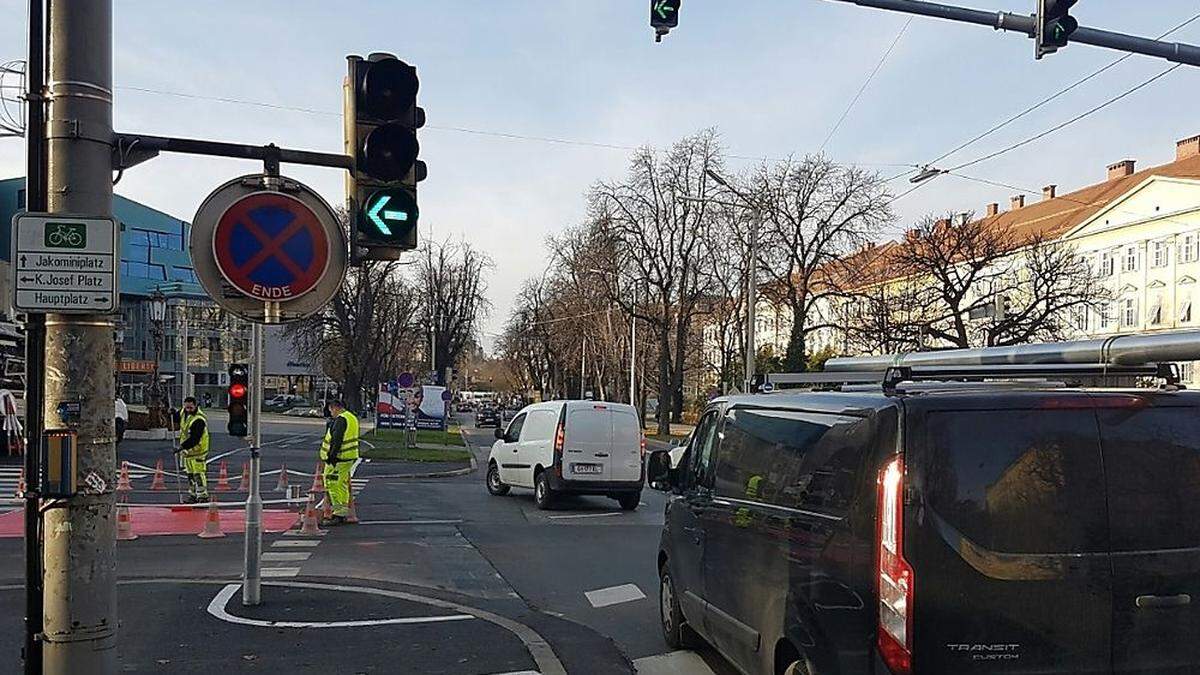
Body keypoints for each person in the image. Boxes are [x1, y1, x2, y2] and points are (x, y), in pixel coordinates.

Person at [319, 399, 359, 526]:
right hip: (348, 457)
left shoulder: (341, 420)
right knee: (341, 485)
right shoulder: (352, 418)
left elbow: (337, 439)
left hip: (339, 458)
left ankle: (338, 514)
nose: (331, 413)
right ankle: (342, 512)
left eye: (331, 410)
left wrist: (331, 456)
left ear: (335, 408)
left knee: (332, 484)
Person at [174, 396, 210, 503]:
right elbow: (177, 418)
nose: (188, 410)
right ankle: (193, 494)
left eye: (190, 408)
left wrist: (181, 447)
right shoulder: (183, 413)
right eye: (186, 407)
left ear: (195, 406)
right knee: (190, 475)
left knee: (198, 474)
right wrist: (171, 413)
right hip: (188, 452)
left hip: (198, 451)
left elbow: (195, 438)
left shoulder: (199, 420)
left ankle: (203, 496)